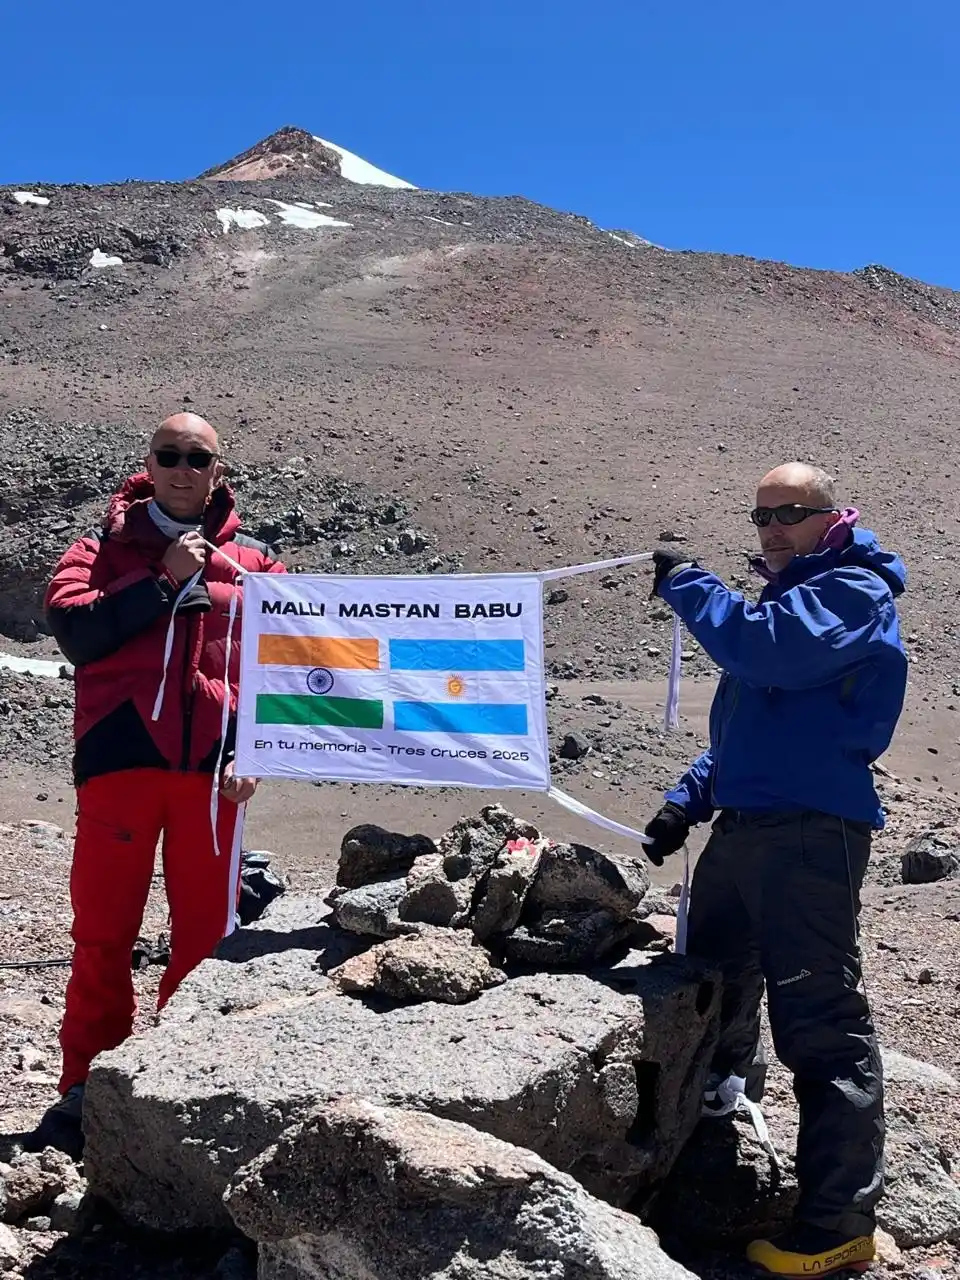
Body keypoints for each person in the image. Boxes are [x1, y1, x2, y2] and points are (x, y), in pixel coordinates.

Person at [645, 463, 907, 1278]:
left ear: (833, 516)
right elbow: (755, 727)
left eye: (790, 513)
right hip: (750, 826)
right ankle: (718, 1117)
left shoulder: (853, 593)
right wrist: (690, 795)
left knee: (821, 1023)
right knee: (714, 980)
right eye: (760, 517)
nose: (771, 529)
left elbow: (769, 658)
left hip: (809, 834)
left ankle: (836, 1223)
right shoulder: (794, 596)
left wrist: (692, 588)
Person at [30, 413, 284, 1159]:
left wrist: (257, 751)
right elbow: (75, 633)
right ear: (149, 462)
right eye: (168, 455)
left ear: (217, 470)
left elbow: (287, 669)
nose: (181, 467)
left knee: (207, 941)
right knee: (103, 936)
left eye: (196, 457)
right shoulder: (101, 549)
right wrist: (160, 579)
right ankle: (86, 1090)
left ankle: (180, 1089)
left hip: (215, 781)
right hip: (120, 770)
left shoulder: (260, 564)